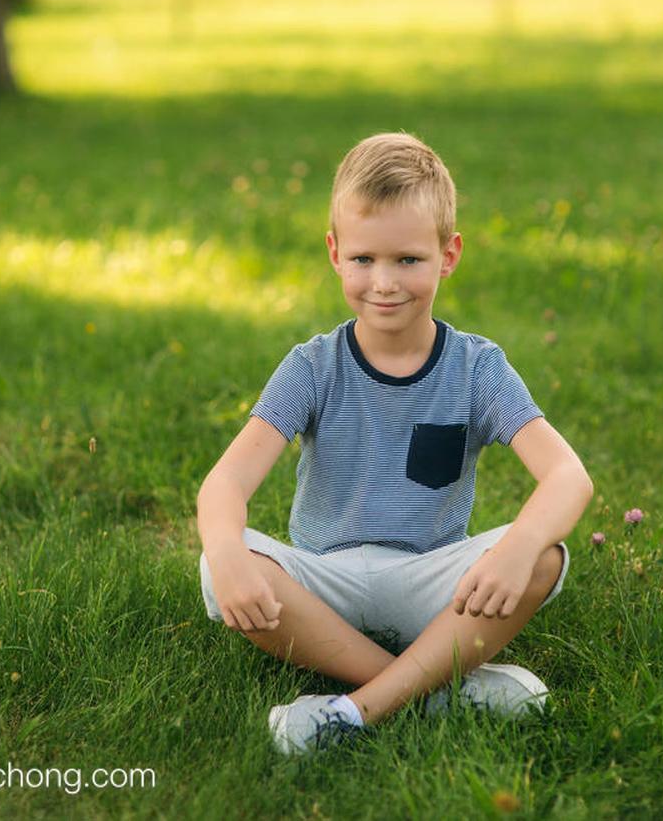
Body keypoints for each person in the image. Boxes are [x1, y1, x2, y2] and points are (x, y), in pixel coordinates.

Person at [197, 132, 594, 755]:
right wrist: (226, 553)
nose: (384, 282)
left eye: (408, 260)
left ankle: (349, 708)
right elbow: (227, 482)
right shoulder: (313, 366)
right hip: (327, 584)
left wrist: (517, 549)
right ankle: (429, 688)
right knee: (221, 565)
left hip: (430, 585)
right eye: (363, 261)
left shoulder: (477, 368)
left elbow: (569, 476)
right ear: (334, 253)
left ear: (449, 254)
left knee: (545, 557)